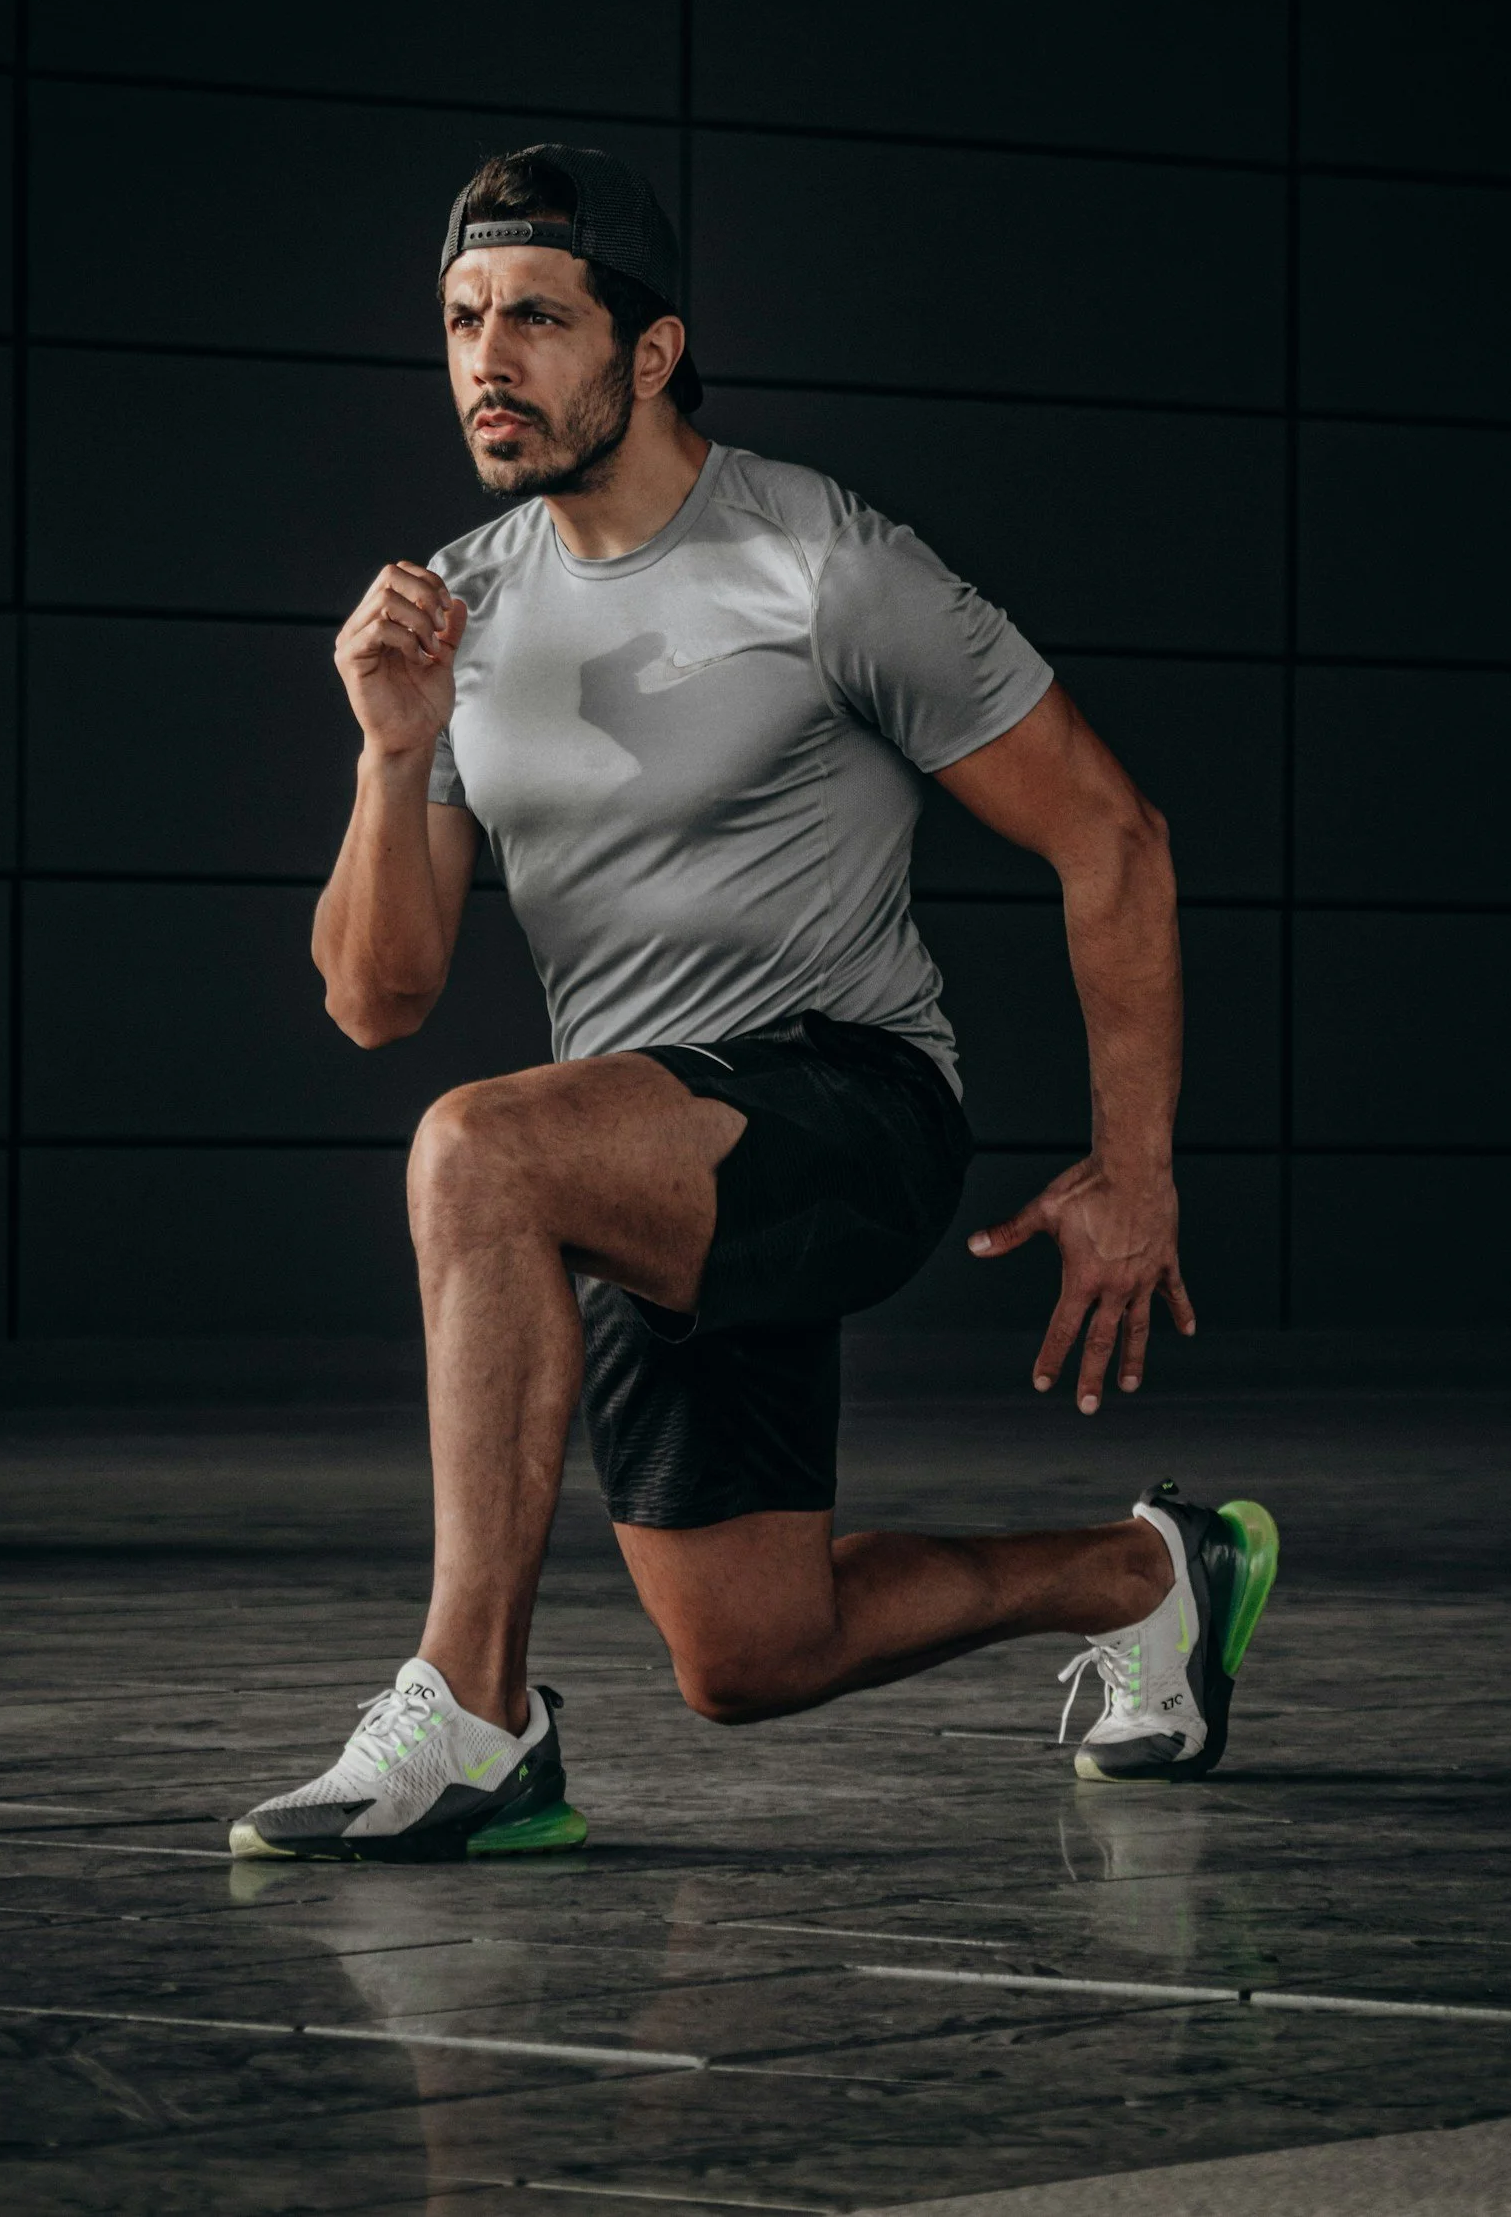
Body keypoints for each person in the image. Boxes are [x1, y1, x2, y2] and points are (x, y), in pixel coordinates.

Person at [230, 146, 1277, 1865]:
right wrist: (393, 746)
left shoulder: (821, 562)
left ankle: (476, 1714)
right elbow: (376, 996)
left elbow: (1117, 837)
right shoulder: (460, 606)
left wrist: (1133, 1170)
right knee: (750, 1654)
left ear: (649, 356)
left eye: (540, 320)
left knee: (477, 1154)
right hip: (643, 1151)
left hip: (853, 1108)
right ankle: (1154, 1572)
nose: (489, 359)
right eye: (463, 320)